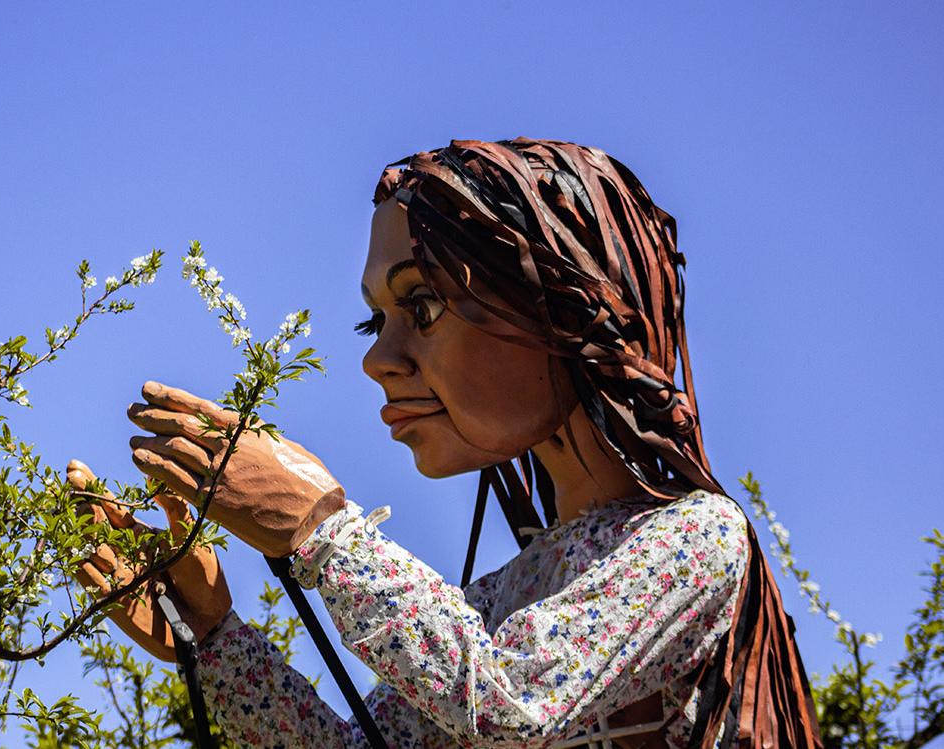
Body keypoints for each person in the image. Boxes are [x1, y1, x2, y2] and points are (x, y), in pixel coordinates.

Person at [66, 138, 823, 748]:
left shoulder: (694, 538)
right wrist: (214, 635)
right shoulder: (502, 594)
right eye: (376, 320)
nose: (376, 359)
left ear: (563, 307)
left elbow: (515, 704)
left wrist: (320, 526)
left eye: (422, 304)